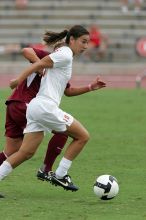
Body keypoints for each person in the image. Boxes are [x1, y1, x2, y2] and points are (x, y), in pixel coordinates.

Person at [0, 25, 106, 192]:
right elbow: (38, 63)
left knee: (25, 153)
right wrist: (18, 80)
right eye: (83, 42)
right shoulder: (65, 55)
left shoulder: (63, 57)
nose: (86, 46)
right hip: (44, 107)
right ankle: (60, 174)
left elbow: (67, 90)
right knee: (82, 136)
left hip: (36, 107)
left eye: (88, 42)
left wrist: (90, 87)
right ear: (72, 40)